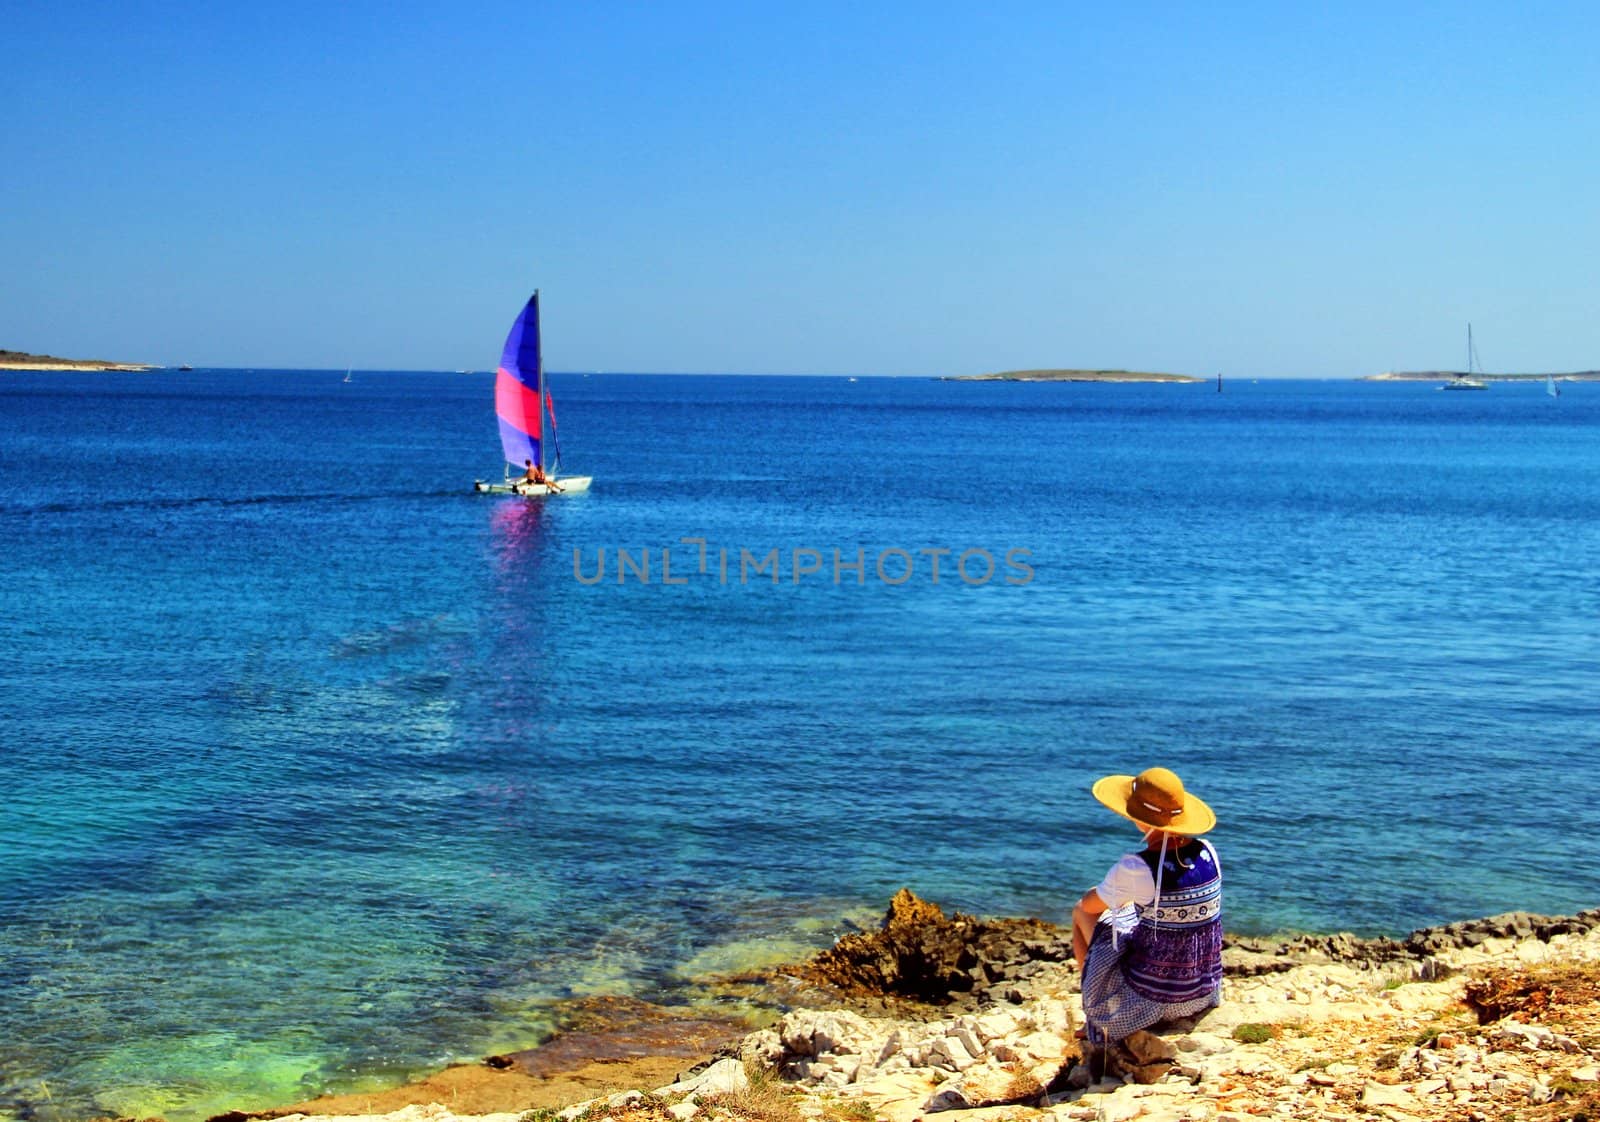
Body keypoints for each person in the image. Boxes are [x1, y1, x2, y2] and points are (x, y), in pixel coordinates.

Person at [1071, 766, 1222, 1048]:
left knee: (1080, 910)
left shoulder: (1137, 866)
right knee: (1136, 914)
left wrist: (1108, 887)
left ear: (1140, 819)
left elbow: (1091, 905)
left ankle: (1098, 1015)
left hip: (1154, 1001)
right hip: (1203, 991)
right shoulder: (1207, 851)